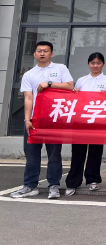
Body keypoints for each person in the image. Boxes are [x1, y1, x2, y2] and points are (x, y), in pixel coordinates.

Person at [11, 41, 74, 200]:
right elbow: (28, 98)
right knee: (32, 154)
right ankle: (30, 186)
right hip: (34, 119)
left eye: (46, 51)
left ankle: (54, 185)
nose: (42, 53)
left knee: (54, 154)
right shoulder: (29, 74)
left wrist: (50, 83)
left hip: (54, 119)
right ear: (34, 54)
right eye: (39, 51)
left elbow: (70, 86)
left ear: (51, 53)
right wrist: (27, 120)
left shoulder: (60, 68)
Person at [65, 52, 106, 196]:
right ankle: (73, 182)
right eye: (93, 63)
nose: (95, 66)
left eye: (98, 63)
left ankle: (93, 179)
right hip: (81, 121)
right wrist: (75, 92)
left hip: (98, 120)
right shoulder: (82, 80)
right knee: (78, 153)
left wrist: (105, 95)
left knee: (95, 151)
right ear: (88, 64)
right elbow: (75, 99)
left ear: (103, 64)